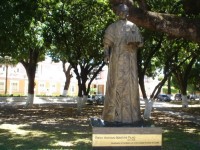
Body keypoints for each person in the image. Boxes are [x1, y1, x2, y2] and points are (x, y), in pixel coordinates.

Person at [102, 4, 143, 124]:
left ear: (128, 13)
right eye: (120, 11)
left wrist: (136, 42)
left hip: (130, 62)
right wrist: (106, 54)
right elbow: (106, 44)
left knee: (130, 86)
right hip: (117, 61)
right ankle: (112, 116)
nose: (123, 13)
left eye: (125, 11)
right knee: (115, 85)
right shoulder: (112, 27)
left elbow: (140, 42)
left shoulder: (133, 27)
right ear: (117, 13)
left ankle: (132, 117)